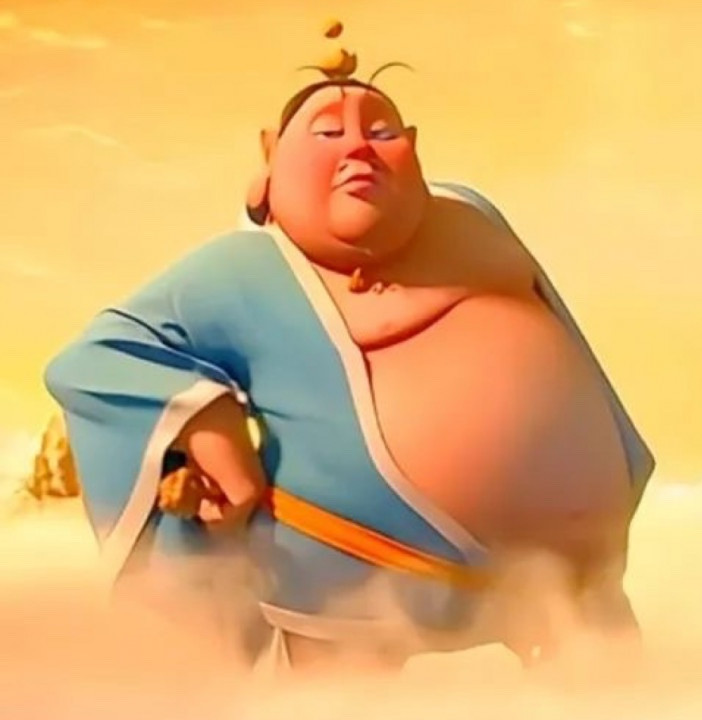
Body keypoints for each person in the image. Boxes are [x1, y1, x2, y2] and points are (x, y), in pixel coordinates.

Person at [44, 44, 655, 675]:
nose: (359, 145)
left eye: (383, 131)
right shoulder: (244, 270)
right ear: (270, 156)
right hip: (359, 572)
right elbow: (94, 358)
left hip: (578, 580)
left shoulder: (471, 215)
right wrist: (203, 417)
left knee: (617, 694)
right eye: (328, 132)